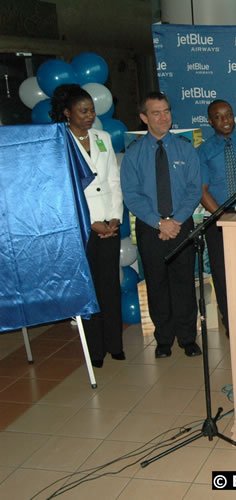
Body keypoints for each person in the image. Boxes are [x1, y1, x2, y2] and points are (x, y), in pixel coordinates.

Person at [121, 91, 202, 358]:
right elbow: (131, 195)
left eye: (166, 111)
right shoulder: (134, 153)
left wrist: (176, 220)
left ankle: (188, 338)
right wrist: (159, 222)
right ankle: (164, 339)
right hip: (150, 227)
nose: (163, 117)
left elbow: (193, 189)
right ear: (144, 118)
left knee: (183, 284)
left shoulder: (184, 147)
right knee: (157, 284)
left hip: (181, 225)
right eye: (156, 113)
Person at [50, 84, 123, 368]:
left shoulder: (102, 137)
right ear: (68, 113)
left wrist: (115, 217)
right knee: (89, 288)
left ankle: (114, 344)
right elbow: (62, 189)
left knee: (110, 286)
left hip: (109, 222)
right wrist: (91, 223)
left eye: (92, 110)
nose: (89, 115)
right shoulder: (60, 142)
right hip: (82, 225)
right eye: (83, 111)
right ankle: (95, 350)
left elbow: (113, 181)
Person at [197, 99, 236, 337]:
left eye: (229, 115)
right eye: (219, 117)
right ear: (210, 121)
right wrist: (222, 216)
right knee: (223, 272)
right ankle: (231, 322)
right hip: (218, 221)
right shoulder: (204, 151)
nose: (225, 120)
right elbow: (202, 190)